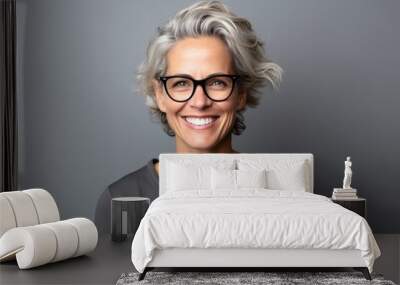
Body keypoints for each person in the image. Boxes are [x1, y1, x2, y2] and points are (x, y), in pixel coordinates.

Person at [95, 0, 283, 233]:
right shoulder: (120, 199)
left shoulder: (280, 192)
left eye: (217, 82)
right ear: (159, 94)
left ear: (241, 94)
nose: (200, 102)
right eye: (181, 83)